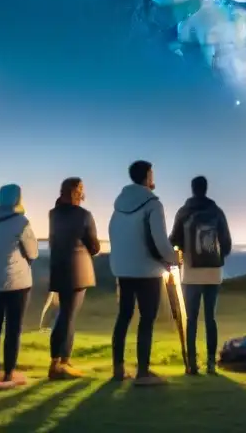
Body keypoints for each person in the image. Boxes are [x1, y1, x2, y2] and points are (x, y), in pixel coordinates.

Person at [108, 160, 176, 386]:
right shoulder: (153, 204)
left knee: (124, 316)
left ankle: (118, 368)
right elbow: (160, 241)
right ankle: (143, 373)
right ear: (147, 176)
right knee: (147, 319)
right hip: (147, 271)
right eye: (152, 174)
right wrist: (175, 258)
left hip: (123, 270)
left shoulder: (118, 206)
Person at [0, 183, 39, 388]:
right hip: (15, 281)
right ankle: (9, 373)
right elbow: (33, 252)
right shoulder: (21, 221)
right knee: (13, 327)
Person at [169, 175, 233, 376]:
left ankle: (192, 365)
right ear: (206, 189)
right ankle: (211, 364)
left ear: (192, 189)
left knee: (191, 319)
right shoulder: (217, 212)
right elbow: (227, 243)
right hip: (213, 272)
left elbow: (174, 240)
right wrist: (215, 256)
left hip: (191, 270)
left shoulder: (184, 212)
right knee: (210, 318)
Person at [47, 177, 100, 379]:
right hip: (78, 271)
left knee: (65, 315)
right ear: (77, 191)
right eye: (82, 188)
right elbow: (94, 247)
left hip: (59, 268)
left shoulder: (54, 214)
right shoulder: (84, 215)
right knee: (67, 317)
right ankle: (59, 363)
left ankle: (61, 361)